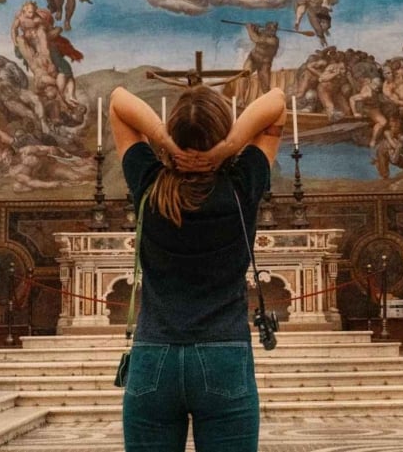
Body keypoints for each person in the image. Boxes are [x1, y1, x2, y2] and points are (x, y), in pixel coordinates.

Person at [109, 84, 285, 452]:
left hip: (154, 352)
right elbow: (277, 102)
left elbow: (118, 101)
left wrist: (163, 143)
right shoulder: (242, 185)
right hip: (223, 352)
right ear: (222, 134)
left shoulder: (148, 182)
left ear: (172, 132)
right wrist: (229, 147)